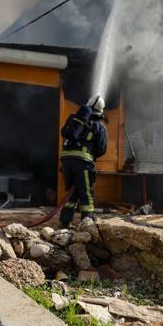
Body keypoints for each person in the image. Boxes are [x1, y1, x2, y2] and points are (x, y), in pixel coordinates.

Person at [59, 95, 108, 229]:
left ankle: (64, 222)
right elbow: (102, 149)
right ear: (100, 111)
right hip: (83, 162)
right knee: (86, 193)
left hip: (66, 160)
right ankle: (88, 224)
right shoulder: (100, 126)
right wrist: (90, 155)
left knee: (71, 192)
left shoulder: (74, 119)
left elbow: (64, 133)